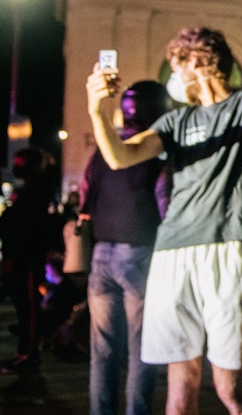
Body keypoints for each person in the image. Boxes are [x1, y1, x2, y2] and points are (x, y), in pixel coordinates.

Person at [85, 0, 242, 415]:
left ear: (197, 62)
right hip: (171, 253)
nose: (173, 77)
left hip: (229, 250)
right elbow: (121, 157)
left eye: (176, 67)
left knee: (230, 390)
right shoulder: (175, 120)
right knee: (179, 393)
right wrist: (97, 112)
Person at [80, 80, 172, 415]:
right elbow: (165, 200)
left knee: (102, 351)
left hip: (102, 252)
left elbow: (86, 191)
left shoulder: (105, 146)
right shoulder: (157, 147)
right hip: (140, 253)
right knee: (141, 349)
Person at [0, 146, 53, 373]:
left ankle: (28, 354)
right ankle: (26, 352)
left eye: (19, 162)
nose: (16, 167)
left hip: (27, 259)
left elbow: (25, 226)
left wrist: (14, 254)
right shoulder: (31, 189)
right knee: (24, 308)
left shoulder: (36, 190)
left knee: (29, 309)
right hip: (21, 257)